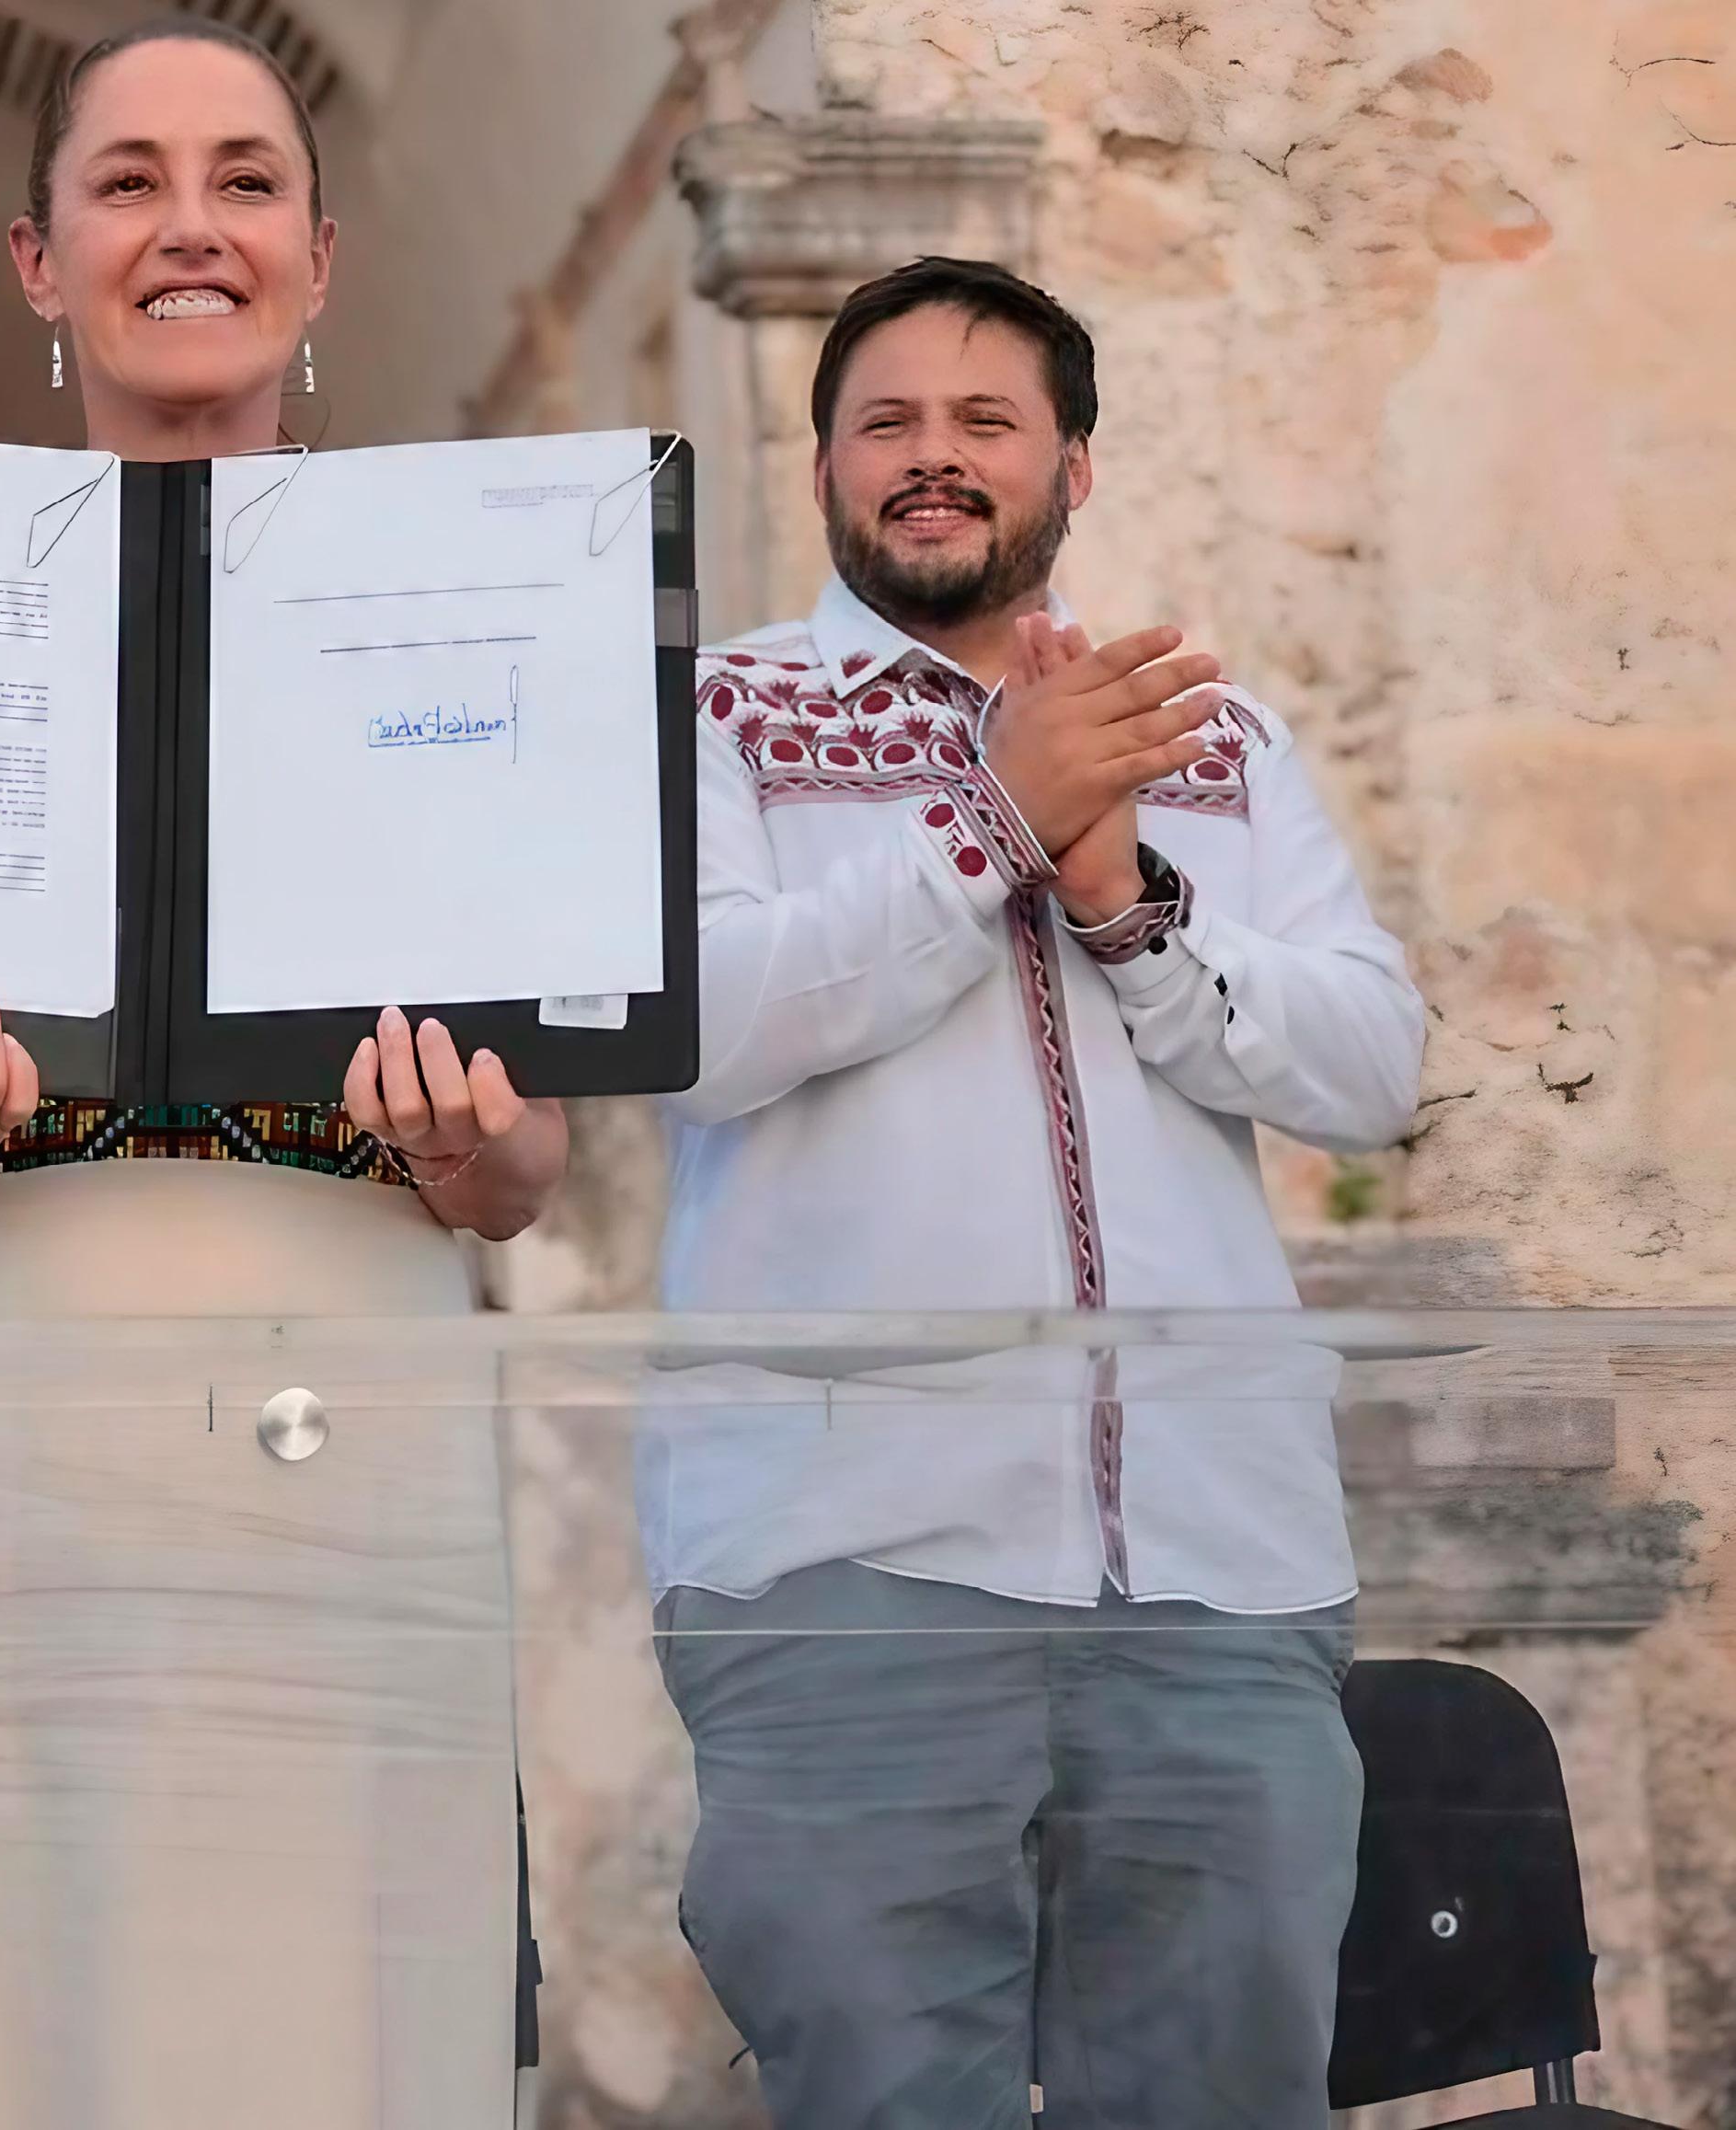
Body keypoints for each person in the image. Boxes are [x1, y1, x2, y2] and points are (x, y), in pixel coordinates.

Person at [649, 257, 1426, 2127]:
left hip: (1219, 1574)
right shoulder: (714, 717)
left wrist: (1130, 905)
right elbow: (694, 1027)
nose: (934, 456)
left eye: (985, 421)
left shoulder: (1211, 735)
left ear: (1073, 466)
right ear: (824, 470)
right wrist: (990, 817)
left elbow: (1372, 1069)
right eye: (886, 423)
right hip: (843, 1574)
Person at [0, 16, 568, 1318]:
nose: (192, 228)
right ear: (39, 263)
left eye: (247, 182)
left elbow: (523, 1173)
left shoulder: (458, 616)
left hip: (351, 1370)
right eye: (129, 182)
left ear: (316, 263)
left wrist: (456, 1140)